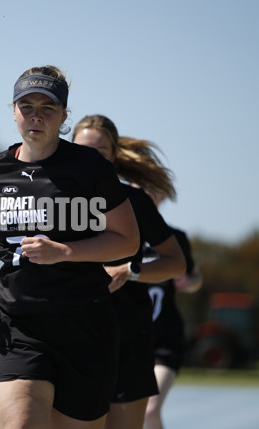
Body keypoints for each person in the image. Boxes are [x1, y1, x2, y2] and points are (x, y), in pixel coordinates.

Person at [0, 65, 140, 429]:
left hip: (85, 325)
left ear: (64, 115)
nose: (36, 116)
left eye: (47, 108)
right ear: (13, 111)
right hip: (18, 325)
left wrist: (65, 253)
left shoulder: (89, 168)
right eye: (26, 106)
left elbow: (127, 240)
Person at [72, 116, 186, 429]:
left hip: (127, 340)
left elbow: (176, 262)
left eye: (101, 150)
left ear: (113, 156)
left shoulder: (134, 202)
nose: (92, 157)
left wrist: (130, 270)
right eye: (83, 149)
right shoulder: (53, 198)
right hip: (70, 338)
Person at [143, 197, 203, 429]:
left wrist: (190, 283)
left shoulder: (174, 238)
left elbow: (197, 276)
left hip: (164, 340)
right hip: (128, 338)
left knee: (150, 410)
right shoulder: (119, 233)